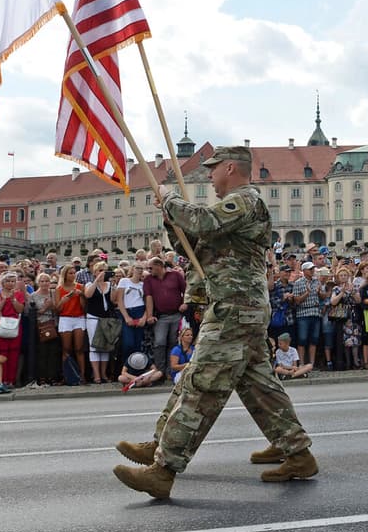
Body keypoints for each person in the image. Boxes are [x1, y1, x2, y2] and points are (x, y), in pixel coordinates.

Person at [114, 145, 317, 499]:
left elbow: (202, 222)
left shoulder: (245, 201)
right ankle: (297, 452)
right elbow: (192, 243)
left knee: (202, 387)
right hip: (237, 309)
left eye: (212, 169)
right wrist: (169, 215)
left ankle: (163, 469)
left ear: (230, 168)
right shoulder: (231, 209)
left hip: (235, 311)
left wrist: (171, 198)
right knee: (258, 385)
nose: (209, 175)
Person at [143, 256, 187, 374]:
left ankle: (170, 370)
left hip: (176, 314)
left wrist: (185, 303)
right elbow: (149, 297)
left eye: (150, 267)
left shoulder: (176, 276)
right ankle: (160, 371)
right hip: (161, 316)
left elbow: (186, 290)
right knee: (159, 342)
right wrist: (149, 315)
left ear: (159, 266)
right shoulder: (148, 280)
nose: (149, 270)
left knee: (173, 342)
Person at [0, 272, 25, 388]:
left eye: (13, 281)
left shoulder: (19, 294)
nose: (10, 283)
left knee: (14, 354)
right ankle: (2, 380)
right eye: (8, 281)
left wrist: (13, 300)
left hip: (14, 326)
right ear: (2, 282)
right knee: (1, 353)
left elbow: (20, 310)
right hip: (0, 326)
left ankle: (11, 380)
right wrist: (3, 301)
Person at [83, 261, 115, 384]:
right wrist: (97, 280)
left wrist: (113, 286)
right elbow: (88, 295)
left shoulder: (109, 285)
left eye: (104, 270)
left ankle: (103, 373)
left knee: (105, 347)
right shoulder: (90, 284)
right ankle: (96, 374)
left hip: (106, 318)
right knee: (94, 346)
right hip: (93, 318)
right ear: (95, 272)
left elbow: (113, 300)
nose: (102, 273)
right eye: (99, 270)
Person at [55, 266, 87, 384]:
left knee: (79, 348)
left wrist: (81, 296)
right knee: (66, 349)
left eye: (74, 273)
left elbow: (84, 307)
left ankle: (82, 375)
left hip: (78, 318)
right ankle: (66, 375)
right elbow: (57, 309)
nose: (73, 275)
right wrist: (63, 300)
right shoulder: (59, 289)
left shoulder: (80, 287)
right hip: (65, 318)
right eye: (70, 273)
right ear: (65, 275)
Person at [288, 262, 322, 366]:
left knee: (314, 340)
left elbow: (323, 297)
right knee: (302, 340)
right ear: (304, 271)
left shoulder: (317, 281)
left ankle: (311, 363)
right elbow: (296, 300)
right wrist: (307, 293)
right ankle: (301, 363)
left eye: (313, 269)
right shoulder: (298, 283)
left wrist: (320, 292)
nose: (312, 271)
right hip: (303, 314)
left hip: (316, 313)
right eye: (310, 269)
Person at [115, 263, 148, 367]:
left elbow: (148, 303)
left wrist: (144, 317)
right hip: (127, 311)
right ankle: (126, 367)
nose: (139, 270)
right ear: (133, 269)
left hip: (140, 310)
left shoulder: (143, 285)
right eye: (138, 268)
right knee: (128, 343)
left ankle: (137, 367)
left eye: (142, 268)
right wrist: (126, 317)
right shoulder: (124, 281)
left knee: (138, 343)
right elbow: (119, 300)